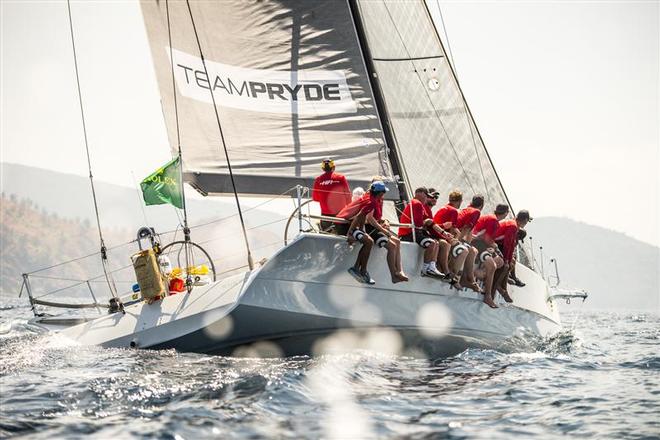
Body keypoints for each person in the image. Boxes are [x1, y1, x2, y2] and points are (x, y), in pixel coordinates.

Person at [336, 181, 408, 284]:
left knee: (368, 241)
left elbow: (361, 216)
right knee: (368, 241)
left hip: (346, 222)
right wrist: (350, 233)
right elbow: (359, 217)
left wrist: (361, 230)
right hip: (343, 224)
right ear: (380, 193)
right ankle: (362, 270)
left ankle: (359, 269)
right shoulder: (372, 201)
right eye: (383, 192)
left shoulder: (370, 197)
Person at [434, 191, 480, 292]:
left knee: (469, 249)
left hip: (436, 235)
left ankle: (457, 276)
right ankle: (452, 277)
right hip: (443, 237)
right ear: (459, 201)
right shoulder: (454, 211)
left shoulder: (444, 207)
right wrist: (458, 240)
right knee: (464, 250)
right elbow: (453, 229)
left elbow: (453, 228)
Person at [398, 187, 446, 278]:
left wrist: (442, 232)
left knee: (435, 242)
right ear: (419, 194)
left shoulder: (417, 204)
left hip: (411, 233)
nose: (427, 198)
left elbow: (427, 223)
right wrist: (426, 222)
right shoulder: (417, 203)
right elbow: (419, 224)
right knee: (432, 243)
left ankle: (432, 267)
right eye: (426, 196)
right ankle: (425, 269)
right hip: (408, 234)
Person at [472, 203, 510, 308]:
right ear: (506, 213)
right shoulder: (493, 220)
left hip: (480, 242)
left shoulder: (492, 218)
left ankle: (482, 274)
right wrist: (495, 247)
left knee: (500, 261)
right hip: (475, 242)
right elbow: (487, 239)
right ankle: (488, 296)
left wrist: (493, 247)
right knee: (492, 265)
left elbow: (486, 238)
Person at [495, 210, 533, 294]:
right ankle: (498, 286)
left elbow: (510, 246)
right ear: (525, 221)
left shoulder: (513, 223)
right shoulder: (513, 226)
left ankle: (504, 285)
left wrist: (508, 259)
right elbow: (507, 245)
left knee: (510, 263)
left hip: (498, 243)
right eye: (526, 222)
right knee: (507, 265)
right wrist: (506, 261)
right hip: (494, 243)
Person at [312, 158, 351, 232]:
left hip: (325, 213)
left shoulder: (318, 179)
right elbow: (348, 195)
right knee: (342, 235)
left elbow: (315, 198)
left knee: (326, 234)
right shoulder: (341, 178)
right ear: (334, 167)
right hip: (341, 212)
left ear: (323, 168)